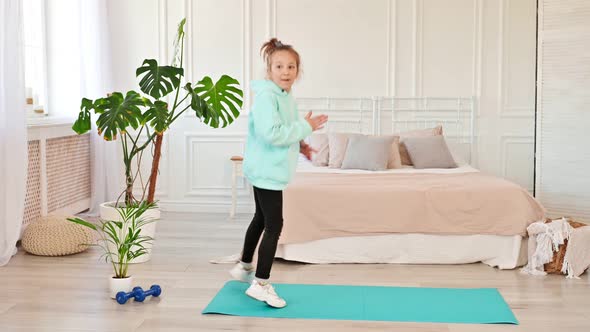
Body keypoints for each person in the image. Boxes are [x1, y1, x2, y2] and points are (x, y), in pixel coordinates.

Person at [229, 38, 328, 308]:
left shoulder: (285, 97)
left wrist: (303, 145)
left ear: (298, 71)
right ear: (269, 70)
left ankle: (244, 266)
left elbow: (287, 128)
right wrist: (306, 127)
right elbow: (272, 134)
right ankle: (260, 283)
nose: (286, 72)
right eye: (279, 66)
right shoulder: (266, 97)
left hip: (268, 169)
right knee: (274, 224)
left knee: (261, 218)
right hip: (266, 170)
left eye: (291, 67)